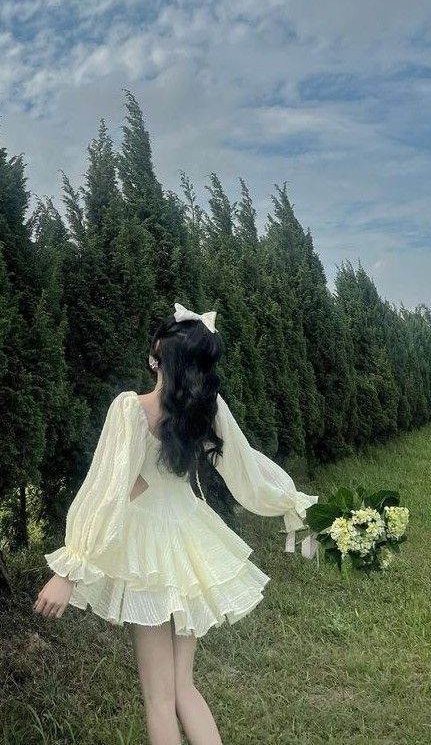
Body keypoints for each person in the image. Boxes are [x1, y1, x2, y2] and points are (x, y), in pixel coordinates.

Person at [33, 301, 318, 745]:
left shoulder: (130, 409)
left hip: (146, 552)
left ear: (156, 357)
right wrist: (294, 503)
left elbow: (106, 491)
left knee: (158, 696)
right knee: (183, 687)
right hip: (190, 543)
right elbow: (248, 470)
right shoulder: (207, 408)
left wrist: (71, 567)